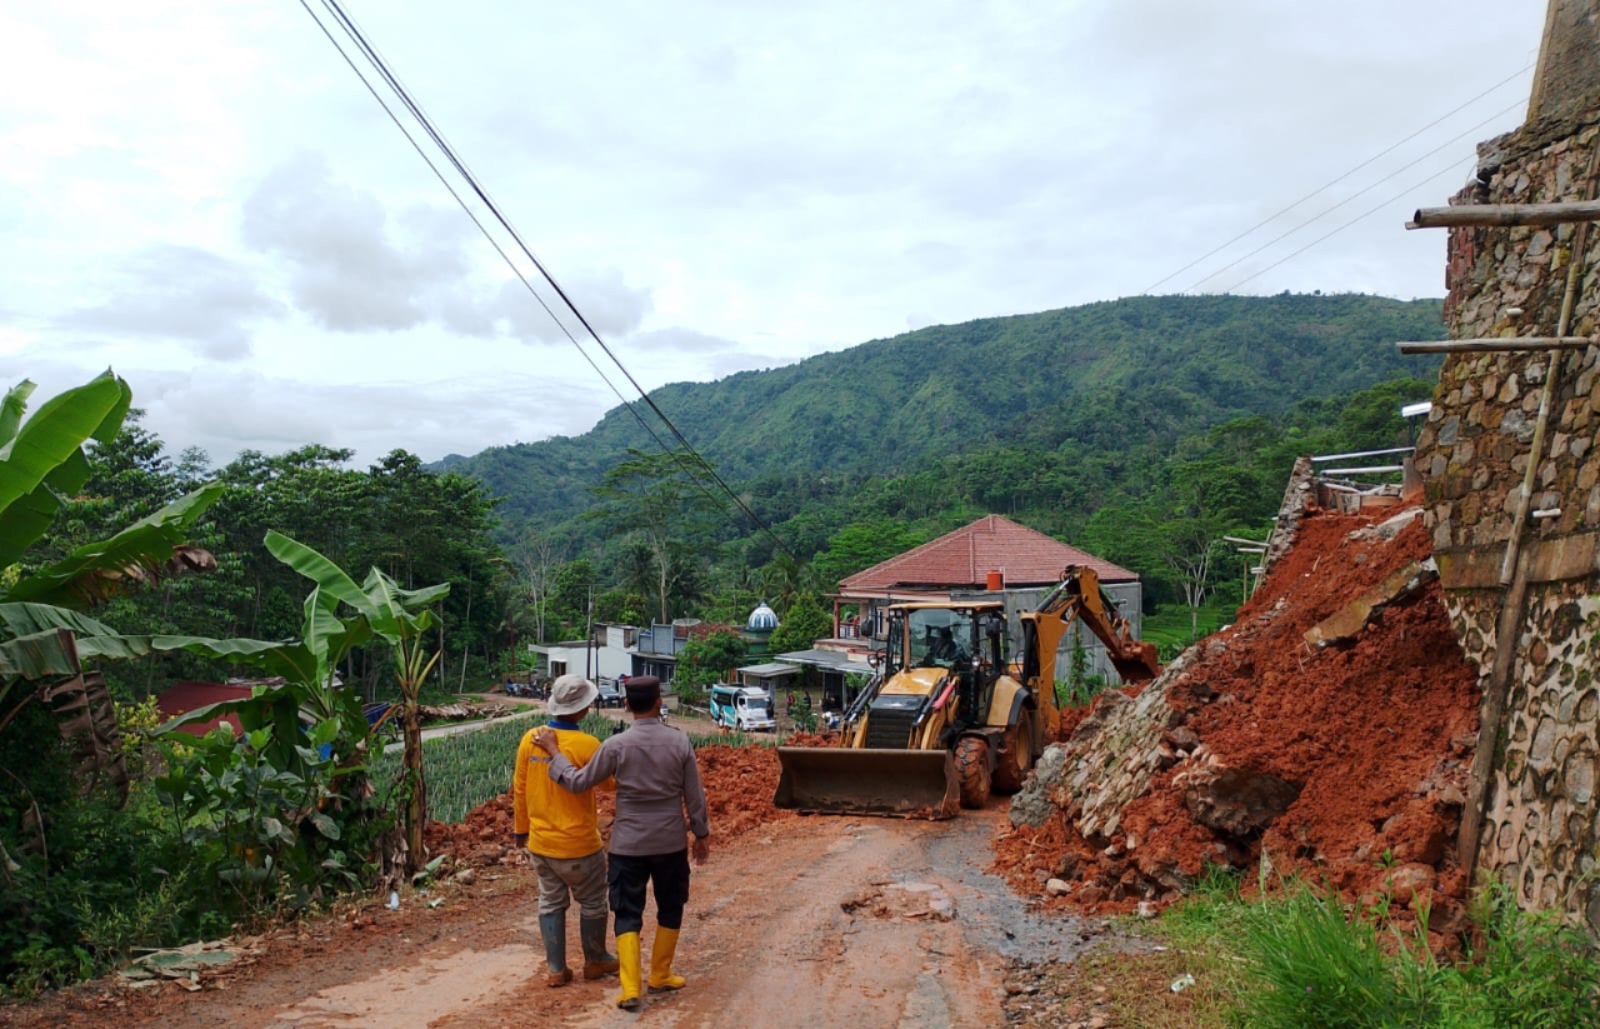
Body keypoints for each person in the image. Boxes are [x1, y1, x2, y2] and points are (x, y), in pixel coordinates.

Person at [533, 675, 711, 1011]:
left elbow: (578, 782)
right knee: (671, 905)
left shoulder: (615, 746)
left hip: (628, 845)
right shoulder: (680, 742)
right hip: (670, 842)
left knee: (627, 911)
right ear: (660, 703)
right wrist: (700, 834)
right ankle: (660, 974)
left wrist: (555, 752)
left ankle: (630, 988)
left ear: (627, 705)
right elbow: (694, 795)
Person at [513, 674, 619, 988]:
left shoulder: (530, 739)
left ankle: (556, 968)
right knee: (593, 901)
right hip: (580, 845)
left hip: (541, 843)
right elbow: (609, 785)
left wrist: (521, 831)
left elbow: (519, 788)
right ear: (583, 709)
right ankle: (595, 959)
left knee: (550, 902)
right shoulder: (588, 745)